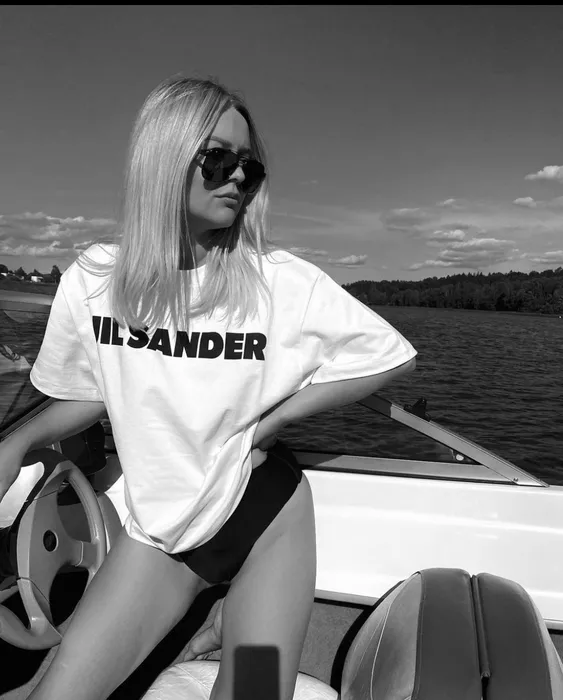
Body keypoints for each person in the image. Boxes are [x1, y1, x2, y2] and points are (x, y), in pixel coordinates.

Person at [0, 76, 417, 700]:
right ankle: (222, 618)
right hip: (162, 535)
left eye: (250, 167)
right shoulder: (94, 281)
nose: (238, 179)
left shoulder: (280, 283)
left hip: (266, 516)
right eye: (219, 159)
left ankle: (236, 617)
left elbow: (389, 357)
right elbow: (93, 390)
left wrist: (275, 421)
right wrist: (15, 444)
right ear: (164, 157)